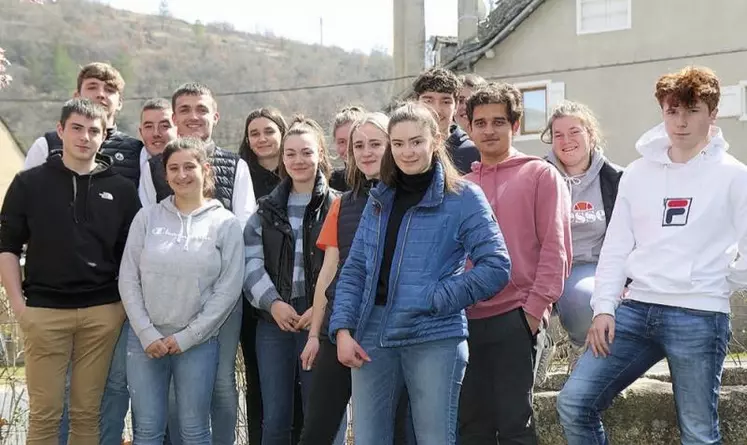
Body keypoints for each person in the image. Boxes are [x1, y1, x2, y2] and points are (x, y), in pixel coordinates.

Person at [557, 66, 747, 445]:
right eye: (672, 111)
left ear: (712, 113)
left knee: (698, 433)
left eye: (692, 111)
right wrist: (604, 308)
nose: (680, 122)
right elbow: (616, 247)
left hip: (699, 316)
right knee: (573, 403)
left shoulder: (734, 176)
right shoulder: (638, 173)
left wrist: (720, 281)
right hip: (636, 310)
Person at [329, 102, 511, 445]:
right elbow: (354, 269)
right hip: (372, 335)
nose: (407, 152)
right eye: (397, 144)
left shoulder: (463, 196)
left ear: (436, 140)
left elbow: (496, 266)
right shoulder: (379, 197)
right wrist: (342, 327)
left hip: (434, 335)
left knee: (434, 439)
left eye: (416, 141)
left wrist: (433, 297)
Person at [0, 98, 140, 445]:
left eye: (94, 130)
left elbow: (133, 256)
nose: (85, 137)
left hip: (102, 314)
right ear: (60, 130)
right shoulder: (28, 183)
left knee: (86, 413)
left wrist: (119, 308)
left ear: (104, 136)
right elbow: (7, 247)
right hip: (45, 312)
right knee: (45, 415)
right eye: (76, 128)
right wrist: (20, 307)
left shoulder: (122, 190)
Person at [142, 82, 256, 445]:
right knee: (177, 385)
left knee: (221, 383)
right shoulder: (153, 168)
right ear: (173, 117)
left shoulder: (236, 166)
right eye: (185, 109)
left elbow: (243, 229)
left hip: (222, 299)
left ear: (215, 116)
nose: (194, 116)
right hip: (169, 300)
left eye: (202, 109)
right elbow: (145, 233)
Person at [458, 83, 572, 445]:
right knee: (471, 425)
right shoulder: (459, 186)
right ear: (469, 127)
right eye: (480, 123)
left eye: (498, 122)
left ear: (515, 125)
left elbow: (556, 248)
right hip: (464, 320)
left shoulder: (540, 175)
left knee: (514, 424)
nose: (489, 130)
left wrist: (534, 311)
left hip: (516, 316)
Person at [119, 137, 244, 445]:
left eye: (190, 166)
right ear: (165, 175)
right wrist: (147, 333)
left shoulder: (224, 223)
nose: (182, 174)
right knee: (147, 431)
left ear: (206, 170)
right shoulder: (147, 218)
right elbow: (128, 279)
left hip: (197, 343)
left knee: (195, 431)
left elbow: (227, 290)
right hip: (146, 341)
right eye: (173, 168)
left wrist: (188, 337)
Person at [298, 112, 414, 445]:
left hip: (391, 333)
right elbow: (328, 274)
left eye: (375, 144)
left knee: (395, 431)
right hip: (339, 329)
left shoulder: (413, 201)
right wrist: (315, 335)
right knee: (317, 430)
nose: (365, 153)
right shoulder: (342, 204)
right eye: (357, 145)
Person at [244, 116, 337, 445]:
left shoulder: (338, 205)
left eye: (307, 152)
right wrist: (273, 303)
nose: (299, 160)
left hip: (320, 322)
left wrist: (320, 308)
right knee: (276, 419)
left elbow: (346, 266)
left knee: (322, 414)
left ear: (320, 154)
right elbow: (250, 262)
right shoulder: (264, 209)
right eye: (291, 153)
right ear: (283, 158)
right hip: (274, 323)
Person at [540, 101, 623, 363]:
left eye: (574, 131)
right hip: (549, 265)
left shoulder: (616, 178)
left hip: (593, 264)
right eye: (558, 134)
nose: (566, 140)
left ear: (591, 134)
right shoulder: (538, 175)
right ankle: (550, 343)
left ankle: (583, 352)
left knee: (588, 299)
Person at [24, 62, 143, 187]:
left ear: (120, 103)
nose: (101, 94)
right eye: (92, 87)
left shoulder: (136, 151)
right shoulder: (46, 145)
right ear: (76, 96)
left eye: (109, 90)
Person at [413, 68, 480, 174]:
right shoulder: (404, 150)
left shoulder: (472, 153)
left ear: (456, 106)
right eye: (428, 101)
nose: (437, 110)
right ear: (416, 103)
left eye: (445, 102)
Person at [138, 98, 178, 204]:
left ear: (177, 129)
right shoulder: (130, 164)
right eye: (149, 126)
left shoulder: (191, 165)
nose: (156, 133)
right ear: (141, 132)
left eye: (164, 126)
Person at [328, 106, 366, 191]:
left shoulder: (383, 180)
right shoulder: (332, 182)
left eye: (353, 140)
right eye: (342, 142)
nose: (348, 148)